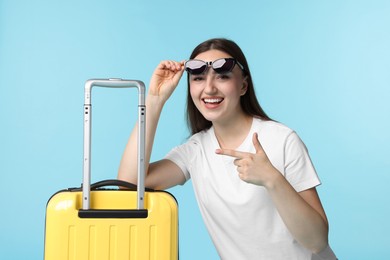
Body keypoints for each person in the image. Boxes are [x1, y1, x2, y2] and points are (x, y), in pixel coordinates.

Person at [118, 38, 337, 260]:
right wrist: (155, 100)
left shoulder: (281, 139)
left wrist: (273, 180)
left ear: (243, 86)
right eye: (199, 78)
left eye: (222, 76)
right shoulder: (196, 150)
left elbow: (317, 242)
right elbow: (129, 186)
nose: (209, 88)